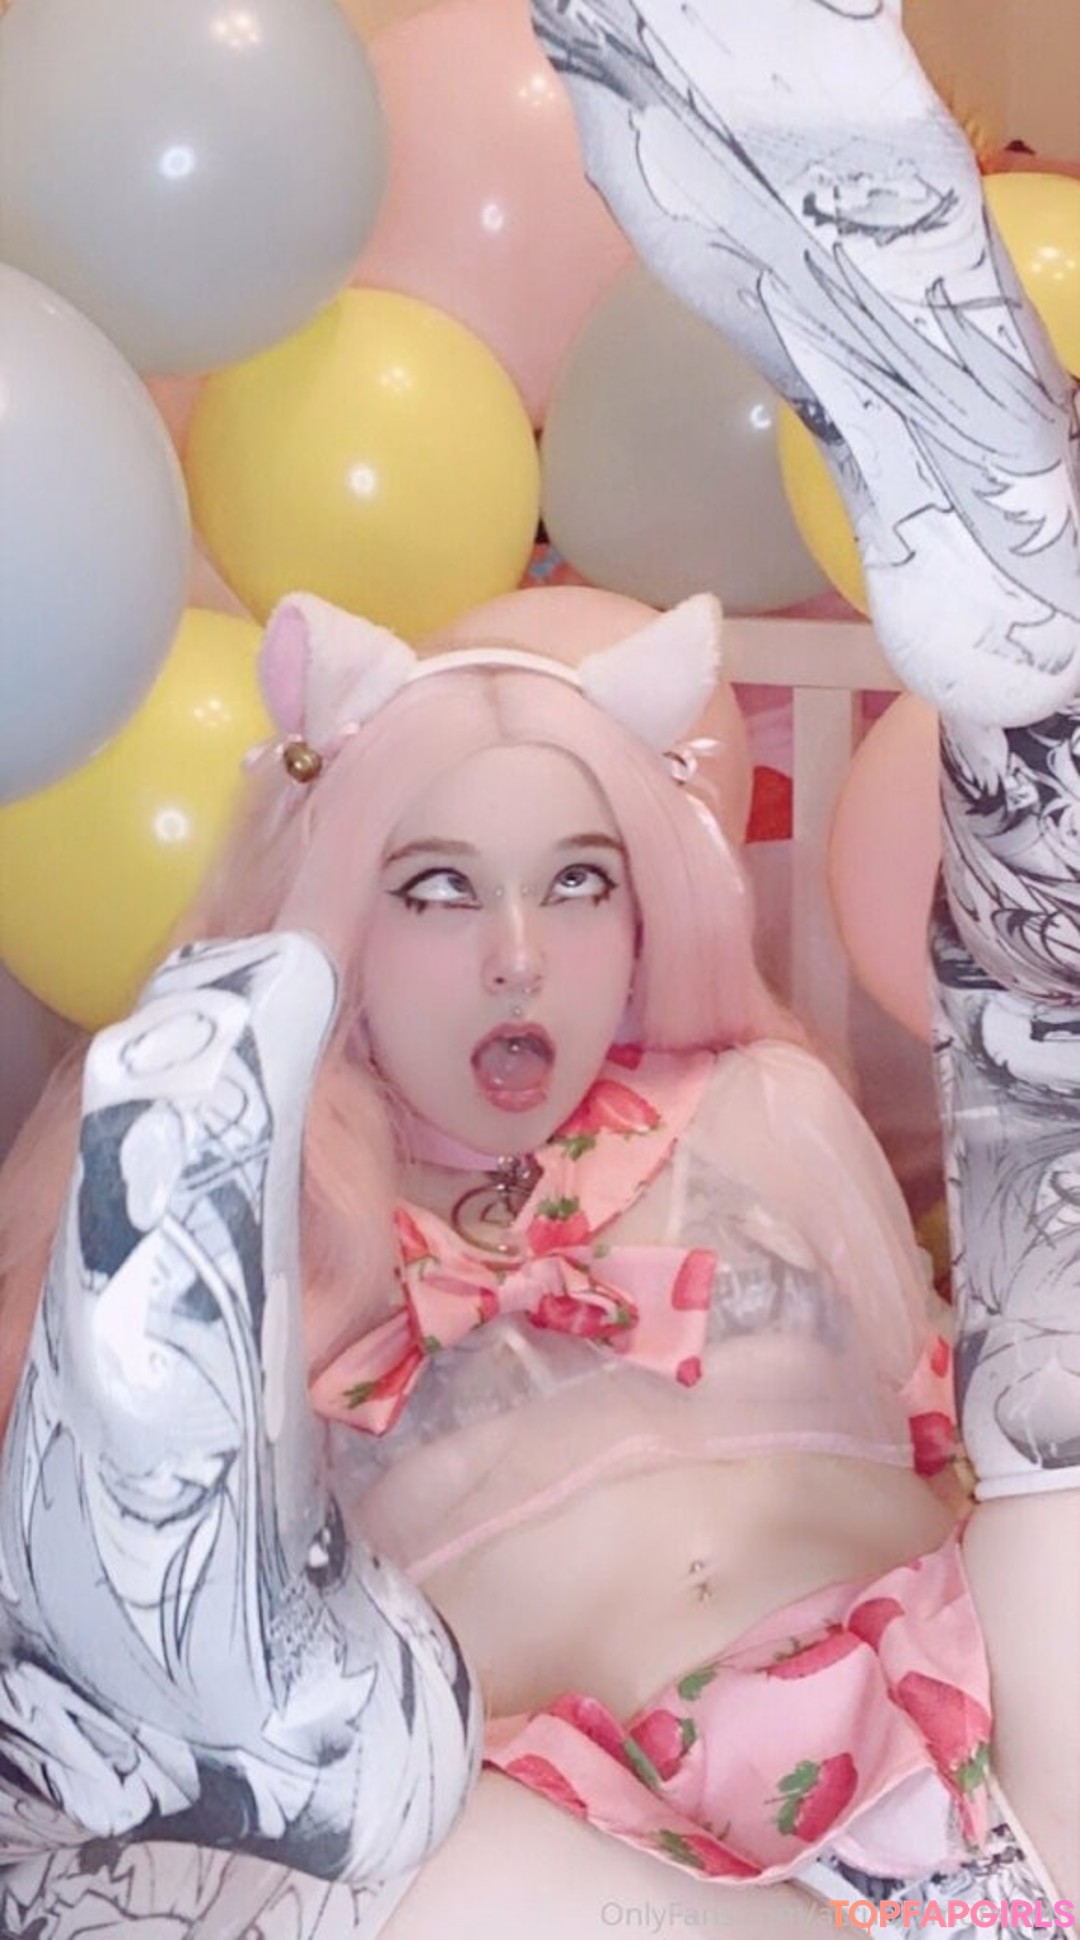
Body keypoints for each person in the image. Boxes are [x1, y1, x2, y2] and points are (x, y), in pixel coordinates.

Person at [0, 3, 1077, 1936]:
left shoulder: (762, 1104)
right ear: (338, 912)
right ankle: (264, 1729)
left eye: (578, 883)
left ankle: (1025, 680)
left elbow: (948, 1422)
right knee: (443, 1876)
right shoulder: (253, 1195)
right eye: (438, 892)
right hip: (562, 1819)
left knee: (1058, 1431)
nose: (520, 957)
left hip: (952, 1735)